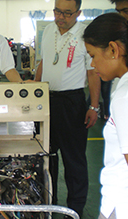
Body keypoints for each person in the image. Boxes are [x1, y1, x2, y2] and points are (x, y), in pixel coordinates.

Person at [34, 0, 100, 217]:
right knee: (46, 157)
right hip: (47, 100)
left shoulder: (85, 35)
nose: (60, 17)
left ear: (78, 13)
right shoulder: (49, 30)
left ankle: (75, 209)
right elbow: (43, 63)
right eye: (57, 11)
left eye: (67, 13)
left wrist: (94, 105)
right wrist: (35, 90)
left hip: (72, 103)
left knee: (74, 162)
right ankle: (48, 205)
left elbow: (92, 73)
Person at [83, 13, 128, 219]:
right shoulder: (121, 85)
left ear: (113, 49)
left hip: (120, 204)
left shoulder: (123, 95)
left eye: (92, 55)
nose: (92, 65)